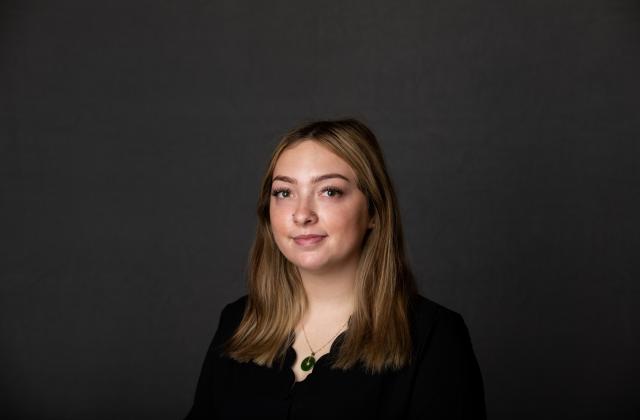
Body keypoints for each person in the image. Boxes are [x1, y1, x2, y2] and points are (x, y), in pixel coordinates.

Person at [185, 118, 486, 419]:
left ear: (374, 212)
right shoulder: (237, 322)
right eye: (284, 193)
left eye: (329, 191)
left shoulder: (434, 335)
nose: (302, 214)